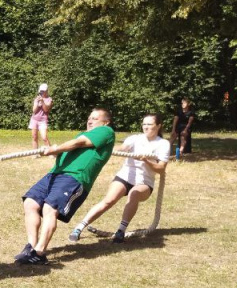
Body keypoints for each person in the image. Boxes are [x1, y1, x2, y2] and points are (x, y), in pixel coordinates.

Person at [15, 108, 115, 265]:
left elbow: (79, 143)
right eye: (89, 117)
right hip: (55, 174)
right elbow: (74, 148)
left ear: (106, 122)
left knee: (49, 208)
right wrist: (57, 153)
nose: (90, 120)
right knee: (30, 203)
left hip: (75, 177)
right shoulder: (85, 133)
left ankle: (40, 253)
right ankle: (31, 247)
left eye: (95, 118)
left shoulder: (106, 131)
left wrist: (55, 148)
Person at [68, 113, 170, 244]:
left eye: (149, 124)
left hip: (144, 182)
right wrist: (110, 147)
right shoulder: (135, 139)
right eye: (144, 124)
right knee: (108, 200)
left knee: (134, 194)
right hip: (125, 176)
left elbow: (161, 169)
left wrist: (146, 161)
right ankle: (79, 227)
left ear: (158, 126)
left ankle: (121, 230)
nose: (146, 127)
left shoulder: (163, 144)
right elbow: (121, 148)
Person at [30, 83, 53, 149]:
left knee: (44, 137)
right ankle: (35, 153)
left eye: (43, 91)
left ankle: (51, 152)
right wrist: (37, 103)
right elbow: (34, 111)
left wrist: (42, 101)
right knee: (34, 137)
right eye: (41, 91)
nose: (41, 92)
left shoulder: (49, 99)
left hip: (43, 121)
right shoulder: (36, 99)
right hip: (34, 120)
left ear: (46, 91)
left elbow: (46, 110)